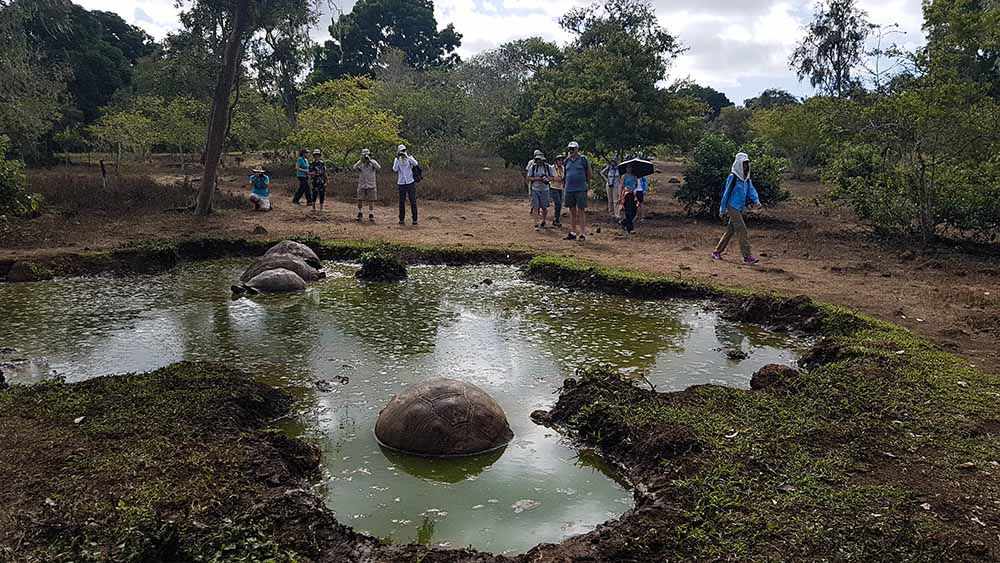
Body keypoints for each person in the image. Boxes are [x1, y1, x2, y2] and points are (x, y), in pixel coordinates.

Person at [713, 152, 761, 265]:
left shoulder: (746, 179)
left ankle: (717, 251)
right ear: (739, 164)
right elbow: (726, 193)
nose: (745, 166)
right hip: (732, 206)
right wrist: (722, 209)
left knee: (730, 230)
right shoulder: (733, 177)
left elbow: (751, 190)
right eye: (743, 164)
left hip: (739, 207)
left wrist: (757, 201)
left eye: (747, 163)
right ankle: (747, 256)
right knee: (742, 230)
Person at [563, 141, 591, 241]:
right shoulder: (566, 161)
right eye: (570, 149)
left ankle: (582, 233)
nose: (571, 151)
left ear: (577, 149)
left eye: (573, 149)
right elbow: (565, 174)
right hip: (569, 189)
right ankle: (573, 232)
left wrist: (586, 184)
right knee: (572, 210)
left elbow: (589, 173)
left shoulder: (583, 159)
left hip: (581, 189)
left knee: (581, 210)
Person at [526, 150, 555, 229]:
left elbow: (552, 177)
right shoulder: (533, 167)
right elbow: (528, 177)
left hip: (545, 189)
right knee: (535, 207)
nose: (538, 161)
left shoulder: (548, 167)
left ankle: (543, 220)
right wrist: (538, 178)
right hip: (535, 189)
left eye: (540, 159)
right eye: (537, 159)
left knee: (544, 207)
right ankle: (536, 222)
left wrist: (546, 179)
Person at [393, 144, 419, 225]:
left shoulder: (409, 157)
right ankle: (401, 219)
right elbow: (395, 169)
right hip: (401, 183)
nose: (403, 152)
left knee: (413, 201)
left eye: (404, 150)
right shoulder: (397, 159)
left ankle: (415, 219)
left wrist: (407, 156)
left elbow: (415, 163)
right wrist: (398, 158)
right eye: (401, 151)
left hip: (410, 182)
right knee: (401, 202)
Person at [353, 148, 381, 222]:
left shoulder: (373, 162)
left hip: (371, 184)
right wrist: (360, 160)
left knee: (371, 200)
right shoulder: (360, 163)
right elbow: (354, 167)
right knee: (359, 199)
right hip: (362, 184)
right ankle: (360, 212)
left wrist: (370, 160)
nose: (366, 157)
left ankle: (371, 214)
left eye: (367, 155)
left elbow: (378, 167)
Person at [618, 164, 639, 235]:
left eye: (630, 167)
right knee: (628, 210)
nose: (629, 169)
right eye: (627, 167)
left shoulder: (634, 176)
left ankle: (624, 222)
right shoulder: (624, 176)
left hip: (633, 194)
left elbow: (636, 185)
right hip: (626, 194)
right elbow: (621, 185)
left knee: (634, 210)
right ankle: (630, 228)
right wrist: (620, 195)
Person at [600, 156, 621, 222]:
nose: (613, 162)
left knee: (616, 200)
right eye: (612, 161)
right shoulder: (609, 167)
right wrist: (606, 180)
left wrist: (620, 184)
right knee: (610, 200)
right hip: (609, 185)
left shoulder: (619, 168)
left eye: (614, 161)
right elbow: (601, 172)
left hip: (616, 185)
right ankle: (611, 214)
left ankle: (617, 215)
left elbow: (621, 177)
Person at [550, 154, 566, 227]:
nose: (561, 161)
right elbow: (549, 177)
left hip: (560, 187)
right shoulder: (552, 168)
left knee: (559, 204)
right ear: (556, 161)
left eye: (562, 160)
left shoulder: (563, 168)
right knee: (558, 203)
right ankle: (556, 219)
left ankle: (557, 219)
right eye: (559, 160)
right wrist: (555, 179)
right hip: (554, 187)